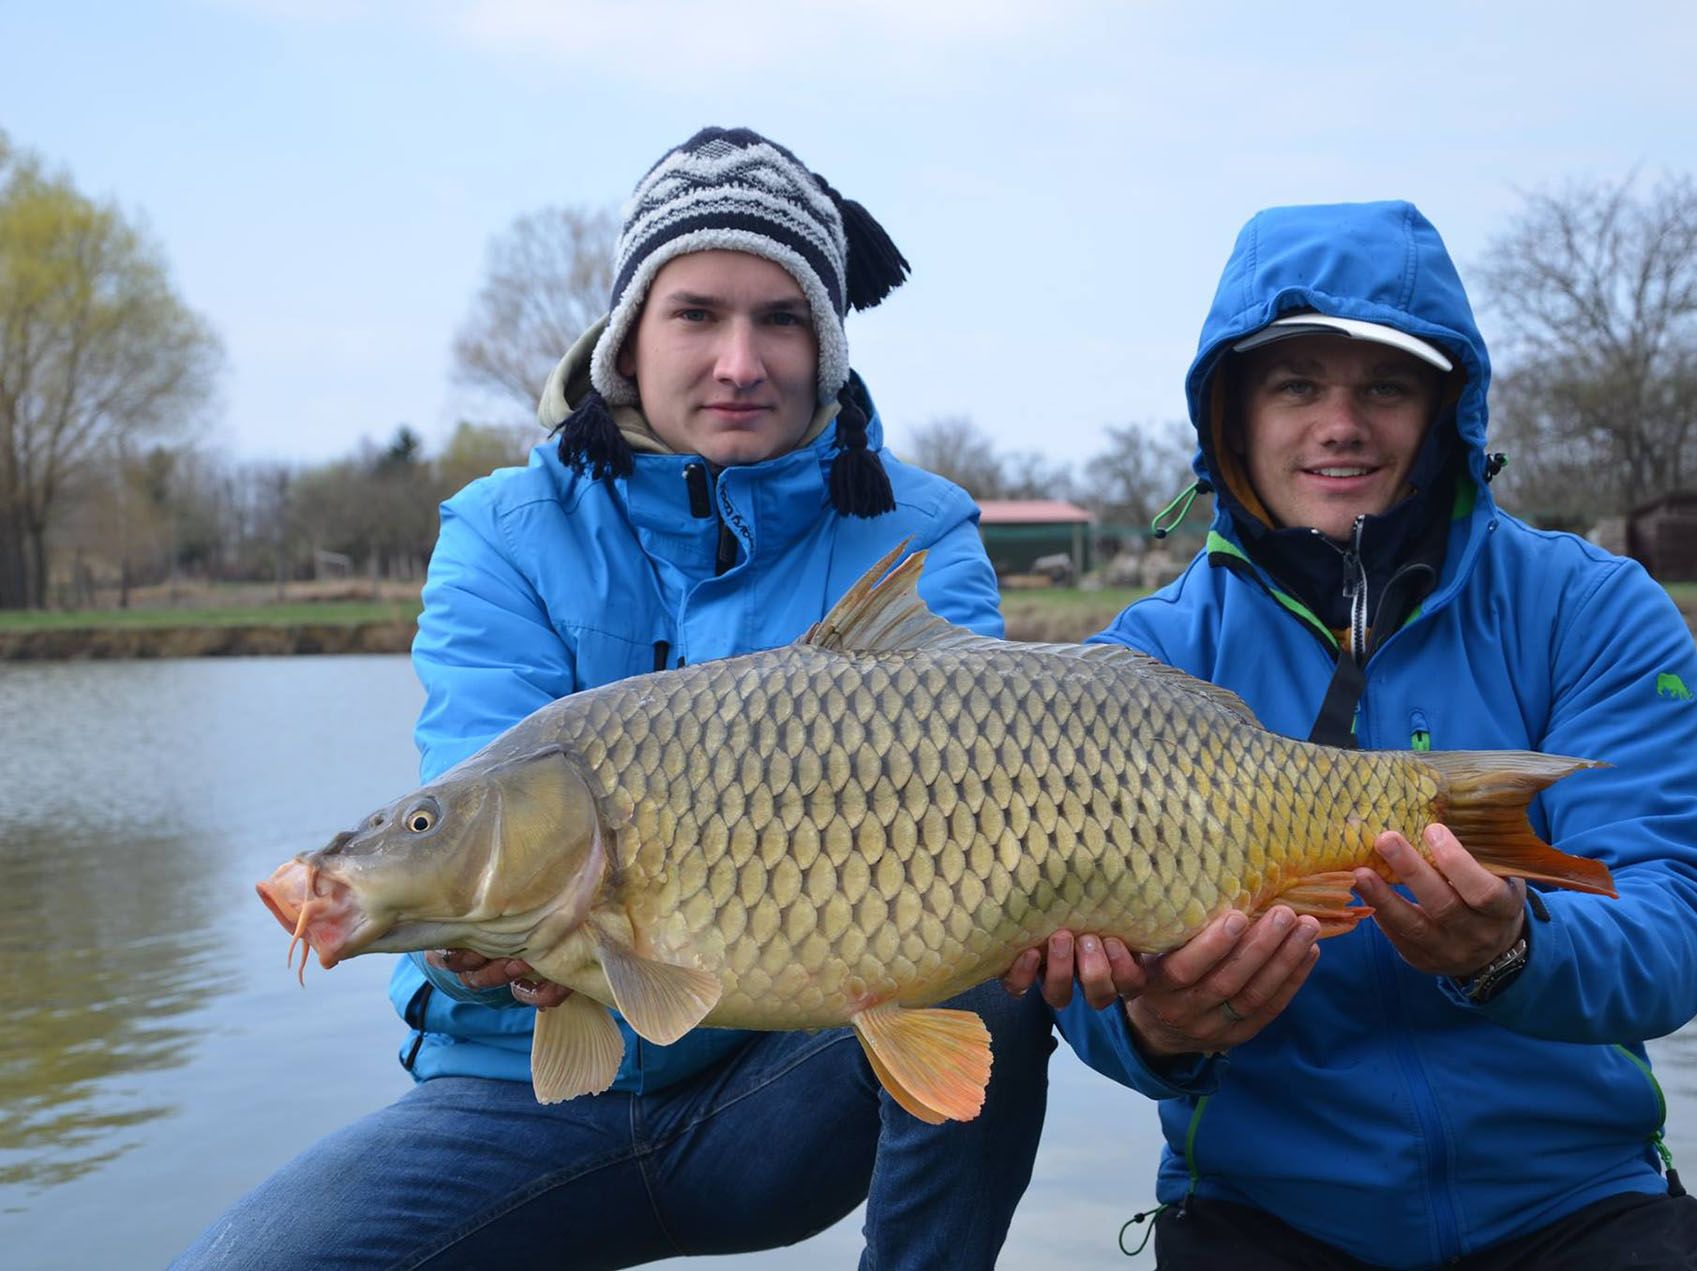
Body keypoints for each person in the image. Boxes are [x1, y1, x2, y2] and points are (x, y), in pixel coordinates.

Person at [176, 126, 1054, 1271]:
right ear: (628, 335)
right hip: (517, 1091)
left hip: (780, 1083)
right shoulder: (499, 529)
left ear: (829, 345)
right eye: (697, 313)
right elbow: (474, 797)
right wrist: (455, 938)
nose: (741, 360)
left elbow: (996, 808)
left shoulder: (917, 527)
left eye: (781, 317)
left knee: (998, 965)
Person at [1015, 200, 1697, 1269]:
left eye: (1386, 385)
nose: (1340, 422)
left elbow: (1680, 921)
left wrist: (1514, 951)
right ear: (1232, 411)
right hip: (1267, 1209)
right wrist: (1156, 1028)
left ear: (1447, 409)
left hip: (1575, 1198)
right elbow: (1071, 962)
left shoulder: (1593, 608)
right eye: (1297, 383)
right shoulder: (1140, 662)